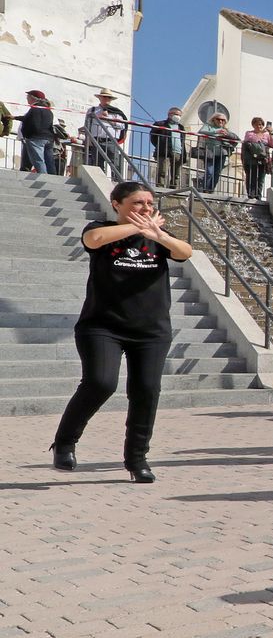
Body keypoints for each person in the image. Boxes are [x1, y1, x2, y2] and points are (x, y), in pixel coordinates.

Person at [50, 181, 194, 483]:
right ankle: (65, 442)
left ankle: (137, 459)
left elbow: (185, 252)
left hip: (151, 331)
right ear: (117, 204)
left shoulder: (158, 237)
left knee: (146, 391)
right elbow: (94, 239)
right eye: (138, 203)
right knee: (101, 382)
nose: (146, 209)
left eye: (149, 204)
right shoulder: (101, 228)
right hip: (102, 327)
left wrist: (157, 235)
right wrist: (137, 229)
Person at [82, 88, 128, 181]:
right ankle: (100, 182)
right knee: (97, 164)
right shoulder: (92, 110)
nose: (106, 99)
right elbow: (87, 124)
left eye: (108, 98)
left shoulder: (116, 112)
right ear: (100, 98)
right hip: (96, 140)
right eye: (104, 97)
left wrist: (108, 119)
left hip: (111, 141)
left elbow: (121, 126)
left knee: (115, 163)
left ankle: (117, 182)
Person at [196, 114, 238, 194]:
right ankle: (205, 189)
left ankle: (211, 190)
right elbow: (201, 132)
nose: (220, 121)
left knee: (217, 173)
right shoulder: (208, 126)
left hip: (222, 153)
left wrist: (227, 134)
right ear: (213, 119)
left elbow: (236, 138)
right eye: (218, 119)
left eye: (223, 120)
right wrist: (216, 131)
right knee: (209, 172)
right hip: (210, 152)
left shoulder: (226, 129)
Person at [20, 91, 57, 174]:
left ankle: (43, 177)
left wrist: (27, 135)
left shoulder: (34, 109)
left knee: (38, 160)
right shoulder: (48, 110)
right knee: (49, 161)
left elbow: (31, 122)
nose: (27, 99)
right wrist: (15, 117)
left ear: (33, 98)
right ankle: (52, 178)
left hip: (36, 138)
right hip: (48, 138)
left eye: (28, 97)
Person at [240, 118, 273, 201]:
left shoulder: (266, 135)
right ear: (253, 125)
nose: (259, 126)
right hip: (252, 160)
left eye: (261, 124)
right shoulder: (249, 133)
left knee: (260, 179)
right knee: (251, 178)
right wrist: (261, 134)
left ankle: (258, 196)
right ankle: (251, 195)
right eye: (257, 124)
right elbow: (251, 140)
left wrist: (271, 133)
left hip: (263, 160)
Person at [149, 108, 186, 189]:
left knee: (176, 174)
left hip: (178, 152)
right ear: (170, 114)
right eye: (176, 114)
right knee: (162, 171)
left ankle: (174, 189)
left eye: (180, 115)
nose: (178, 116)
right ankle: (160, 188)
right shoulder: (160, 124)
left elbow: (183, 140)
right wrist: (160, 146)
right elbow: (153, 138)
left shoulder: (181, 127)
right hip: (164, 152)